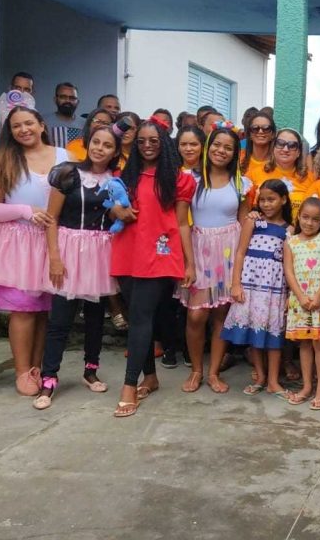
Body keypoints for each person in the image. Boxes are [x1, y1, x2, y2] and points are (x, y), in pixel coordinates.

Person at [109, 120, 196, 417]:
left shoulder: (179, 179)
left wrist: (189, 263)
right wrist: (115, 210)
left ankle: (129, 385)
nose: (147, 146)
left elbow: (183, 223)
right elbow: (113, 206)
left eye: (154, 141)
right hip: (126, 252)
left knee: (142, 316)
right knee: (137, 317)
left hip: (158, 254)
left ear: (164, 143)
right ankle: (150, 377)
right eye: (142, 141)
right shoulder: (125, 176)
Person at [0, 107, 68, 397]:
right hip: (16, 242)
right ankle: (22, 371)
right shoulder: (4, 159)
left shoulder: (65, 156)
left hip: (53, 241)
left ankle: (37, 367)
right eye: (16, 126)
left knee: (43, 311)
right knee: (22, 310)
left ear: (41, 124)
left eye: (29, 122)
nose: (23, 129)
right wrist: (24, 210)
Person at [34, 126, 120, 409]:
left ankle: (90, 369)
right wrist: (55, 257)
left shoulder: (115, 181)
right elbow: (51, 218)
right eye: (96, 142)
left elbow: (120, 213)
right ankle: (49, 378)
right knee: (60, 319)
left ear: (115, 151)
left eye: (107, 145)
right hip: (69, 249)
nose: (100, 148)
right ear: (88, 143)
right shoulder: (67, 174)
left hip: (99, 252)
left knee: (95, 317)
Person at [179, 128, 252, 394]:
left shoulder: (241, 182)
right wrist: (188, 261)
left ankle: (213, 372)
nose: (221, 151)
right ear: (208, 147)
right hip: (198, 250)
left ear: (235, 153)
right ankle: (196, 369)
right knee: (197, 315)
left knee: (222, 314)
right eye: (217, 145)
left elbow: (244, 220)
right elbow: (181, 223)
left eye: (228, 147)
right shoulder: (191, 179)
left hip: (229, 252)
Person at [222, 180, 291, 398]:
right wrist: (236, 283)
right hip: (251, 285)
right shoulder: (253, 222)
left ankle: (272, 381)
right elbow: (240, 252)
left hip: (273, 289)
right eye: (262, 200)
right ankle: (261, 377)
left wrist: (289, 293)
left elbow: (289, 264)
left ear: (284, 200)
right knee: (254, 332)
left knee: (273, 333)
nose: (266, 204)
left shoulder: (289, 229)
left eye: (271, 199)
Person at [283, 197, 320, 410]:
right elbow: (289, 271)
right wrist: (300, 296)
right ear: (298, 217)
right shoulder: (290, 241)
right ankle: (307, 387)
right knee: (304, 343)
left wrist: (317, 296)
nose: (309, 223)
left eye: (315, 219)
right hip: (300, 299)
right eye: (305, 217)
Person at [248, 128, 315, 218]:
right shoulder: (254, 173)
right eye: (280, 143)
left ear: (298, 152)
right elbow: (245, 209)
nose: (286, 149)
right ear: (273, 148)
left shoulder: (309, 178)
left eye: (292, 145)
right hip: (263, 229)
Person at [44, 83, 83, 149]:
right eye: (63, 97)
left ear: (78, 102)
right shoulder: (43, 121)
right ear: (55, 99)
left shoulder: (85, 123)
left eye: (72, 98)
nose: (67, 101)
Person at [240, 111, 276, 175]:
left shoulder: (280, 162)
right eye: (255, 128)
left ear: (273, 134)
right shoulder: (238, 157)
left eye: (266, 128)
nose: (260, 131)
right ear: (249, 134)